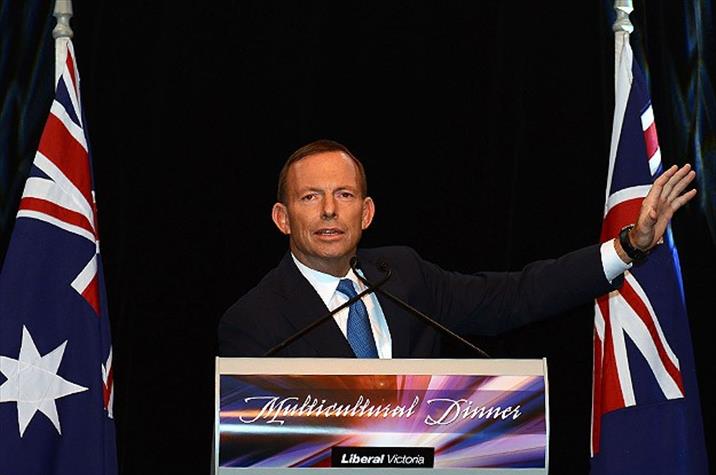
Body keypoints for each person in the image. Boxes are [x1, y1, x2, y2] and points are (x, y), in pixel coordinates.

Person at [218, 139, 697, 358]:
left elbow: (516, 295)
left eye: (343, 195)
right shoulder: (253, 321)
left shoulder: (402, 275)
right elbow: (256, 452)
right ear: (282, 218)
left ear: (366, 213)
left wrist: (627, 247)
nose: (328, 211)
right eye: (310, 197)